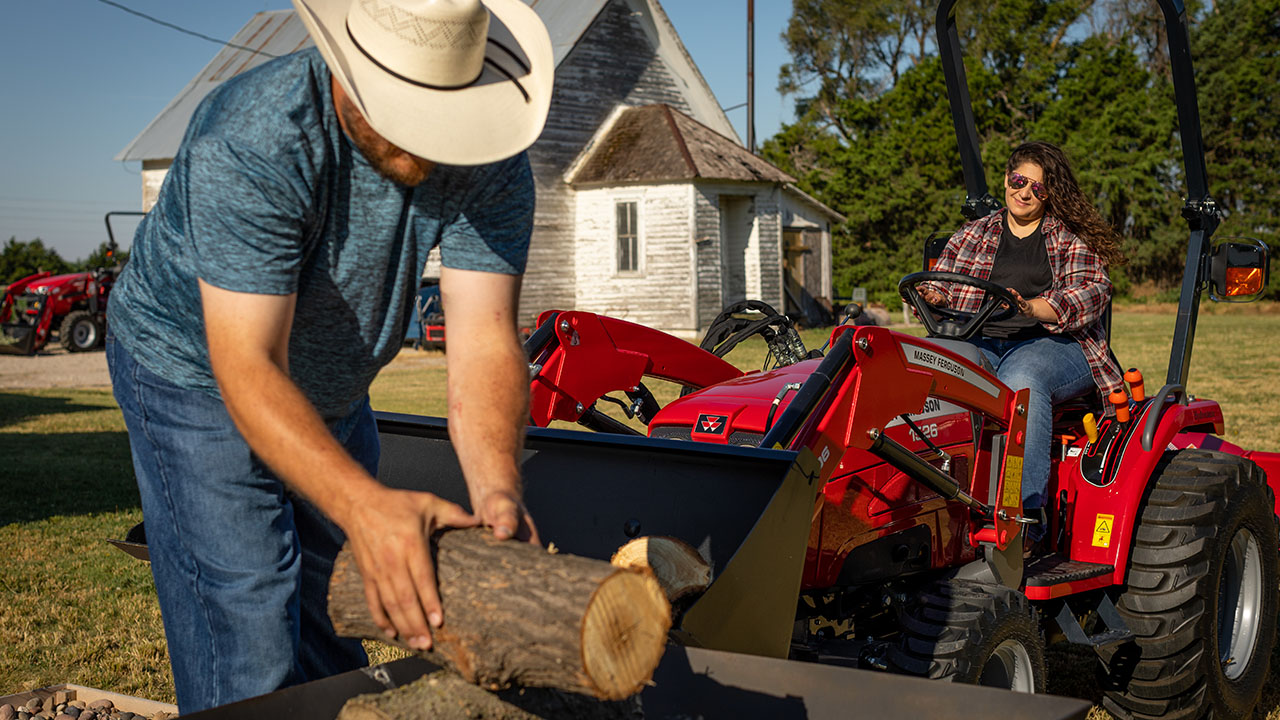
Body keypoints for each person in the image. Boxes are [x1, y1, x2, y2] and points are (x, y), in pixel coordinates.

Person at [104, 0, 554, 712]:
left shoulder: (489, 155)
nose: (429, 146)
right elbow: (246, 363)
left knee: (334, 602)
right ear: (349, 73)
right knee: (249, 617)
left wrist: (498, 489)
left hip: (333, 383)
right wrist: (366, 506)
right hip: (194, 373)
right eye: (407, 114)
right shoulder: (256, 138)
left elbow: (485, 338)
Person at [922, 141, 1125, 540]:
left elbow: (1093, 291)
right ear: (1006, 179)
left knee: (1022, 379)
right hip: (980, 341)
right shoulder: (974, 234)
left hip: (1057, 346)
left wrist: (1033, 308)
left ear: (1049, 194)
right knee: (929, 369)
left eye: (1037, 187)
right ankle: (934, 503)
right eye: (1019, 181)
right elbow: (943, 281)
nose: (1025, 192)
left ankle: (1025, 518)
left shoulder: (1067, 238)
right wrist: (935, 295)